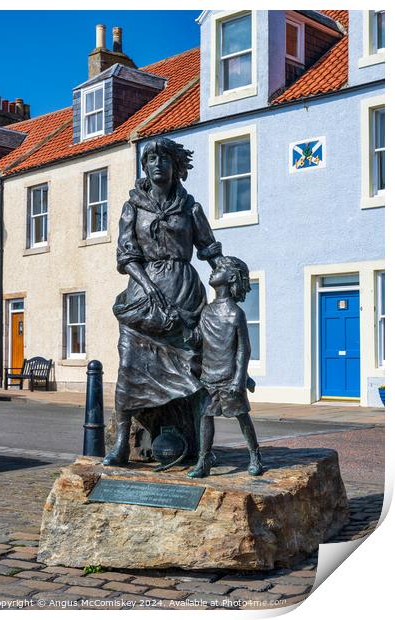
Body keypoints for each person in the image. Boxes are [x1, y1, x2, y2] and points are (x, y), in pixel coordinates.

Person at [103, 138, 223, 466]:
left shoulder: (190, 207)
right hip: (143, 299)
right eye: (151, 159)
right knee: (129, 364)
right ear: (144, 166)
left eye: (164, 159)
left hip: (184, 293)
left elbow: (209, 249)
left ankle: (201, 447)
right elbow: (126, 255)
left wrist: (227, 276)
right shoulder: (134, 206)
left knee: (196, 370)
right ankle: (121, 445)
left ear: (175, 166)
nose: (158, 164)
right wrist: (148, 286)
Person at [187, 256, 263, 478]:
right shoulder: (207, 311)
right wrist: (181, 326)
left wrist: (240, 379)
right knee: (205, 417)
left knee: (242, 416)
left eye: (218, 269)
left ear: (230, 278)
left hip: (229, 377)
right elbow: (198, 340)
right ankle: (204, 459)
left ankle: (255, 455)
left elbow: (244, 349)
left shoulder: (235, 313)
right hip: (208, 376)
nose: (212, 271)